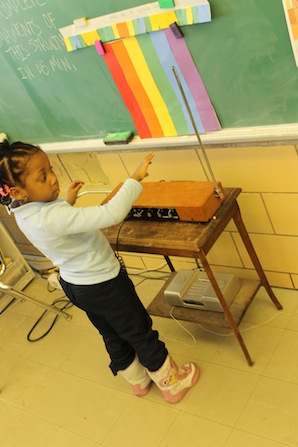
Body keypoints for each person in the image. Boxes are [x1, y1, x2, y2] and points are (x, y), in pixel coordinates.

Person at [0, 139, 199, 404]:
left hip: (76, 286)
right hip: (105, 284)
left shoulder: (21, 211)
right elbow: (111, 213)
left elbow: (55, 222)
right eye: (42, 176)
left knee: (112, 333)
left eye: (50, 169)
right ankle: (172, 384)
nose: (53, 179)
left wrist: (67, 200)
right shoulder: (52, 216)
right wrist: (135, 178)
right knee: (139, 330)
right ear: (17, 191)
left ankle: (138, 381)